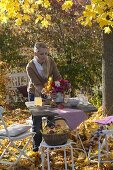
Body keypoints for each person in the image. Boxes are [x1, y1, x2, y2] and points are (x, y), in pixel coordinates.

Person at [26, 42, 62, 152]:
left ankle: (51, 144)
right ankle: (36, 147)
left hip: (49, 91)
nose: (44, 56)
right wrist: (47, 93)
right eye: (42, 54)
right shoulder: (30, 66)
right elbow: (37, 84)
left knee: (51, 118)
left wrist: (59, 88)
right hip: (36, 94)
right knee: (37, 120)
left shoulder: (50, 61)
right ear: (35, 53)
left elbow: (57, 76)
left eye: (46, 53)